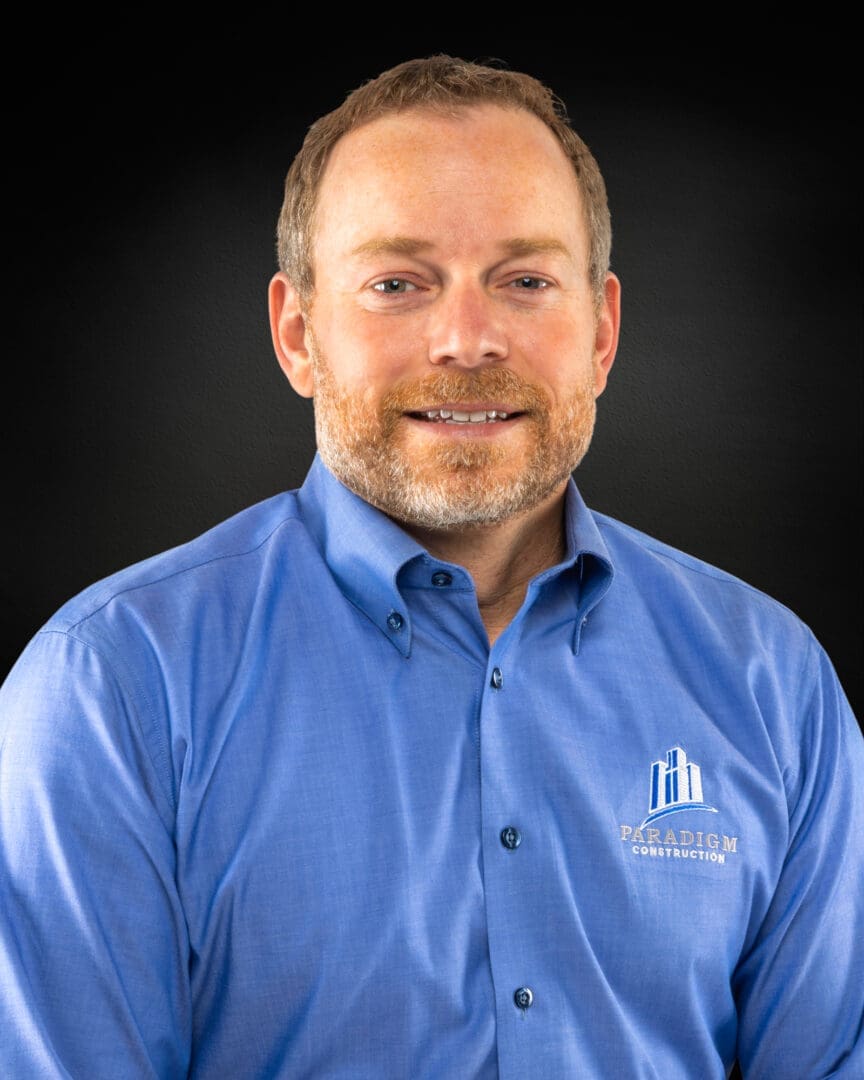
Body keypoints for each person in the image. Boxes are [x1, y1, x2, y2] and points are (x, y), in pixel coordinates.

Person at [1, 54, 861, 1080]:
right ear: (297, 334)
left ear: (603, 333)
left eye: (527, 280)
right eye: (398, 283)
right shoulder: (113, 688)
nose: (468, 338)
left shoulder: (776, 685)